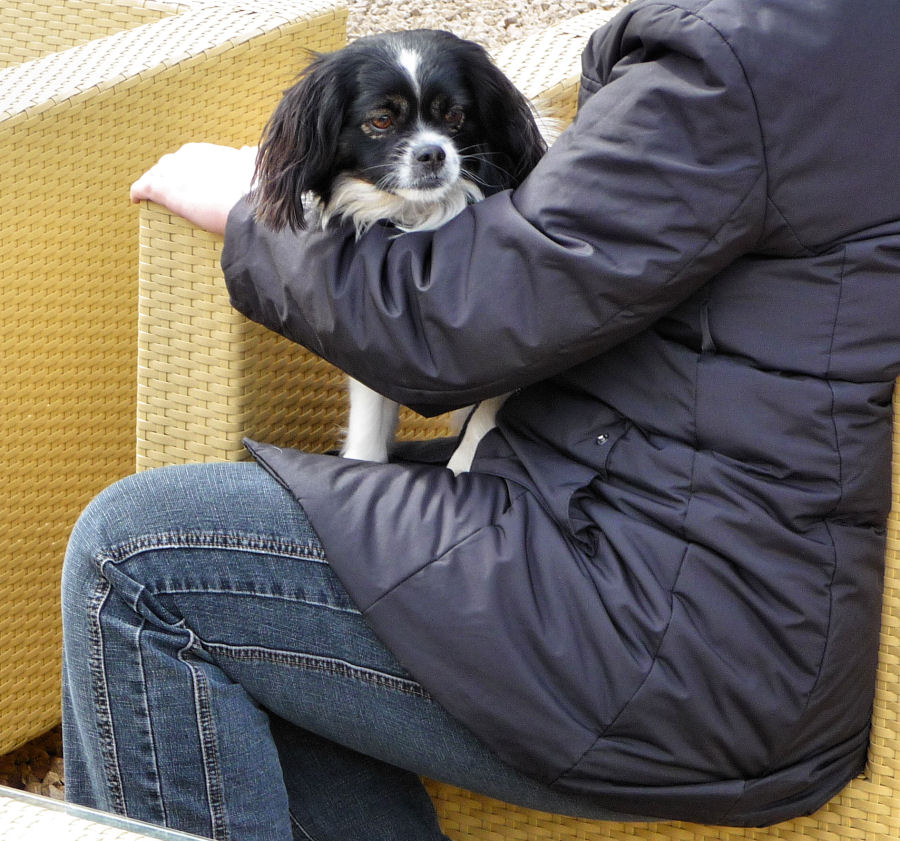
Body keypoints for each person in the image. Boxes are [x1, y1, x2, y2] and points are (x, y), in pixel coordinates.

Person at [62, 0, 900, 838]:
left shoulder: (754, 54)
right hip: (706, 573)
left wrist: (255, 218)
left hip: (662, 624)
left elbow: (463, 328)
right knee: (264, 514)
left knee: (135, 555)